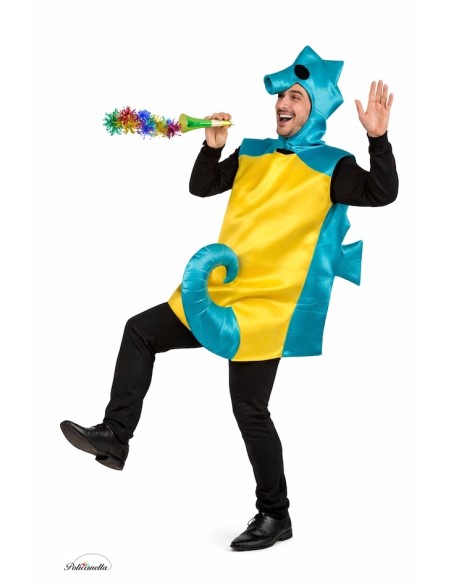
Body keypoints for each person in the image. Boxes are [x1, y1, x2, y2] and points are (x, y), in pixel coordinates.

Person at [61, 46, 398, 552]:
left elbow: (382, 192)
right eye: (281, 96)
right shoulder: (253, 151)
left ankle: (275, 515)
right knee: (141, 331)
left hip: (267, 308)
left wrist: (378, 139)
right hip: (220, 291)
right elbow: (202, 187)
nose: (283, 103)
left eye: (296, 96)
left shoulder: (334, 165)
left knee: (249, 409)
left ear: (316, 108)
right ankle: (115, 435)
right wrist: (212, 146)